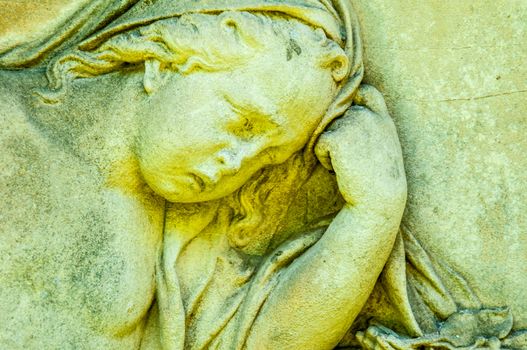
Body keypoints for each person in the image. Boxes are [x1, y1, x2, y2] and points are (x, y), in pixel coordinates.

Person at [0, 1, 407, 349]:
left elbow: (264, 340)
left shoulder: (185, 225)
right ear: (164, 62)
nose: (237, 164)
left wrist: (373, 213)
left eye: (266, 159)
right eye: (243, 123)